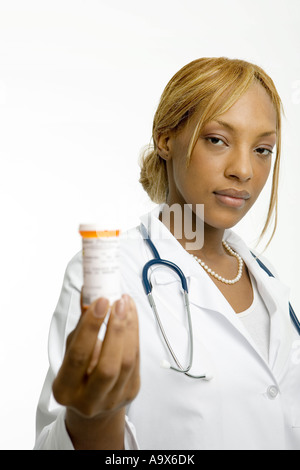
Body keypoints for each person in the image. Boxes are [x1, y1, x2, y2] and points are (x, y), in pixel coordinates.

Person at [34, 57, 300, 450]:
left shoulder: (268, 280)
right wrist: (92, 420)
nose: (244, 170)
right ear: (165, 138)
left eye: (263, 149)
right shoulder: (110, 274)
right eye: (217, 139)